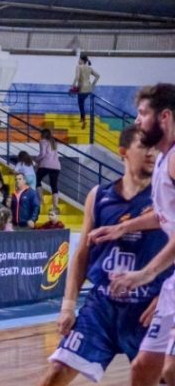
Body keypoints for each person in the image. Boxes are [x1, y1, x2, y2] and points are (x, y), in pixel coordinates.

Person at [39, 124, 171, 385]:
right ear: (123, 151)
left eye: (156, 148)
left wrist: (168, 296)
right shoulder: (99, 195)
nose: (152, 153)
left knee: (161, 376)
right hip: (102, 305)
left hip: (147, 308)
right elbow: (81, 255)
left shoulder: (166, 198)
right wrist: (67, 306)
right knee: (56, 372)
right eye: (144, 146)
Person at [91, 84, 175, 386]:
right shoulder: (165, 158)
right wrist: (122, 227)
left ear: (164, 117)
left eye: (143, 113)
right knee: (143, 370)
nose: (137, 120)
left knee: (169, 371)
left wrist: (144, 274)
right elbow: (166, 215)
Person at [72, 54, 101, 129]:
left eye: (79, 59)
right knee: (82, 103)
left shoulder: (78, 67)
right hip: (89, 88)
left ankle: (83, 120)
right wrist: (93, 85)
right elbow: (98, 76)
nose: (78, 61)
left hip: (82, 88)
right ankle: (82, 119)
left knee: (80, 104)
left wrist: (73, 85)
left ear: (82, 60)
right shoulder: (89, 68)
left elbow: (77, 76)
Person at [36, 128, 62, 208]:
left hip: (46, 165)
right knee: (54, 185)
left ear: (43, 134)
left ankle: (41, 200)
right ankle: (55, 206)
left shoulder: (43, 141)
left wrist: (36, 159)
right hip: (56, 166)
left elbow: (43, 154)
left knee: (37, 180)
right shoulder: (54, 142)